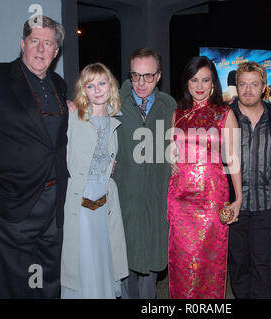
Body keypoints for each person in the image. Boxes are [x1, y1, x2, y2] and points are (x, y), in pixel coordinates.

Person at [0, 16, 68, 298]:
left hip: (54, 207)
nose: (41, 49)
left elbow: (58, 142)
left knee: (48, 284)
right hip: (14, 205)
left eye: (48, 43)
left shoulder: (59, 84)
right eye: (35, 41)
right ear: (23, 43)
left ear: (56, 51)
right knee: (15, 289)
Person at [167, 56, 242, 299]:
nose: (199, 86)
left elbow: (232, 158)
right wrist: (171, 161)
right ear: (186, 82)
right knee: (182, 264)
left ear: (213, 83)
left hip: (212, 200)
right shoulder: (178, 113)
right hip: (181, 201)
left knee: (210, 265)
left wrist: (238, 198)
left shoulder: (225, 114)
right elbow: (173, 150)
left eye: (205, 80)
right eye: (194, 80)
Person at [113, 48, 177, 299]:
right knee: (123, 263)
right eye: (135, 75)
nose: (141, 83)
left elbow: (176, 145)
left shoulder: (168, 106)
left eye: (148, 76)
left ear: (159, 75)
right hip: (123, 196)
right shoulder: (113, 103)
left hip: (155, 197)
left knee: (151, 264)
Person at [60, 63, 128, 298]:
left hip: (105, 201)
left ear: (110, 86)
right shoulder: (72, 116)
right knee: (83, 260)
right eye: (90, 85)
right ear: (83, 90)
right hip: (80, 199)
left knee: (104, 257)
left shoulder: (114, 120)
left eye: (102, 83)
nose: (97, 89)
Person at [227, 62, 271, 299]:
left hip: (267, 204)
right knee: (238, 265)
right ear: (236, 86)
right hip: (234, 205)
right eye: (243, 84)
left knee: (263, 264)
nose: (248, 90)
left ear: (264, 87)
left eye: (254, 84)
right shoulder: (226, 116)